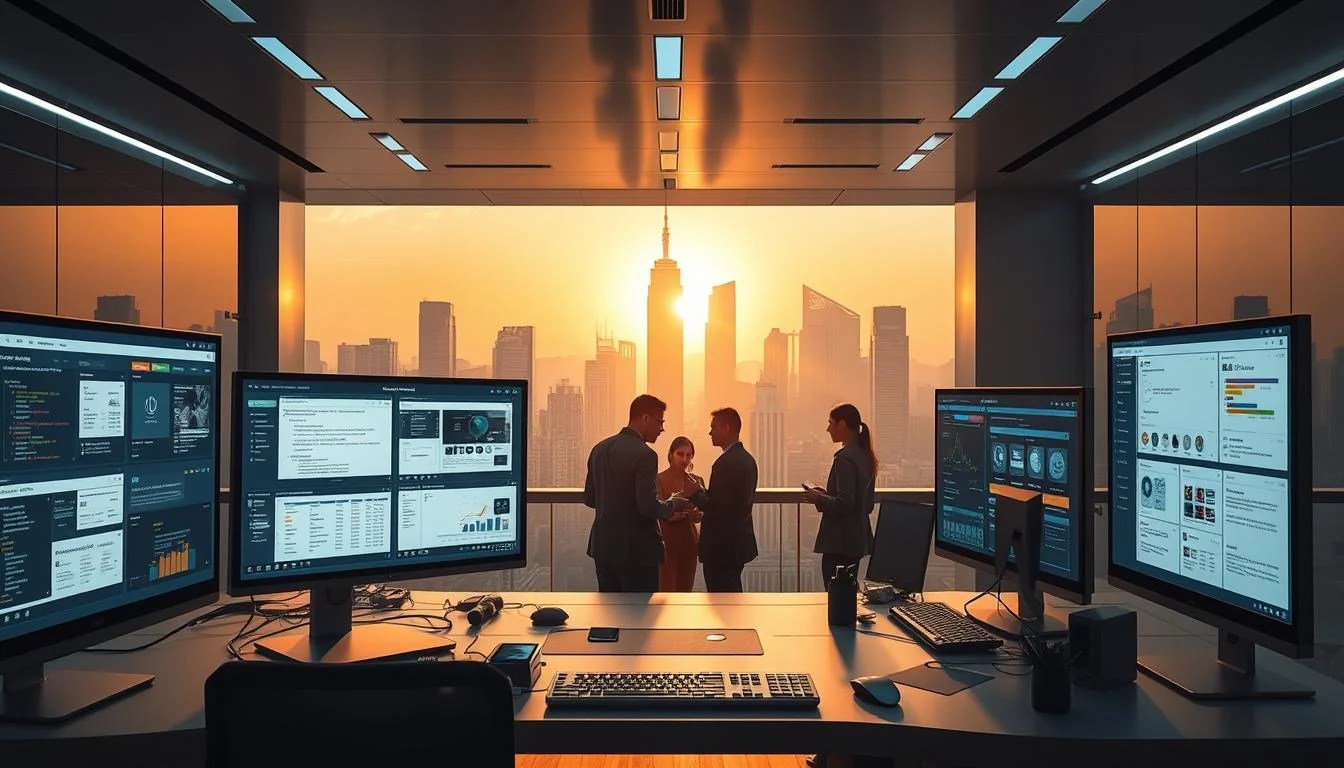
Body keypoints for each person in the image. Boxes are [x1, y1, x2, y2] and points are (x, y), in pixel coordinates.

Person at [583, 394, 690, 593]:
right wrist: (674, 503)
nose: (662, 429)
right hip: (637, 553)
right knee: (638, 617)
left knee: (609, 613)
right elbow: (648, 506)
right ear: (646, 418)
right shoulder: (645, 455)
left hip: (604, 547)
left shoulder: (599, 449)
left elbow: (590, 498)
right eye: (660, 421)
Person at [684, 408, 759, 593]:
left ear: (726, 428)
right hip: (737, 544)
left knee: (722, 598)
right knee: (732, 595)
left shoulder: (725, 463)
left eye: (714, 427)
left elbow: (717, 506)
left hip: (721, 547)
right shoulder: (748, 460)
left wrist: (696, 492)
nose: (710, 432)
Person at [803, 403, 877, 588]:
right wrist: (827, 495)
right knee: (848, 594)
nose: (828, 429)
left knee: (836, 595)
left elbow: (845, 503)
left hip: (840, 541)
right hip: (855, 540)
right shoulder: (864, 455)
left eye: (831, 423)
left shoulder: (845, 458)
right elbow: (865, 504)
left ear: (842, 425)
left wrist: (818, 498)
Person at [656, 437, 704, 592]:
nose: (685, 459)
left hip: (689, 541)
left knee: (685, 591)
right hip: (667, 542)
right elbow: (658, 510)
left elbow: (702, 511)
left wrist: (697, 514)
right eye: (680, 454)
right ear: (671, 455)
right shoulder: (659, 479)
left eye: (689, 455)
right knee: (666, 590)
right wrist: (678, 513)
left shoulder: (697, 480)